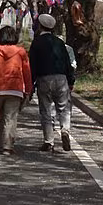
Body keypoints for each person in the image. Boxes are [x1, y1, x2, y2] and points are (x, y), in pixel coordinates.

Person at [29, 13, 76, 152]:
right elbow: (68, 63)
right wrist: (71, 80)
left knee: (46, 110)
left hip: (44, 79)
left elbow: (32, 64)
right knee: (64, 108)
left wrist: (31, 83)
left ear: (40, 26)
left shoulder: (36, 43)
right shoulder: (59, 42)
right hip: (61, 78)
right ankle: (65, 130)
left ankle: (49, 141)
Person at [0, 25, 32, 155]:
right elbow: (27, 72)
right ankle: (8, 146)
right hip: (15, 89)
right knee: (10, 118)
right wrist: (28, 89)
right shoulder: (21, 52)